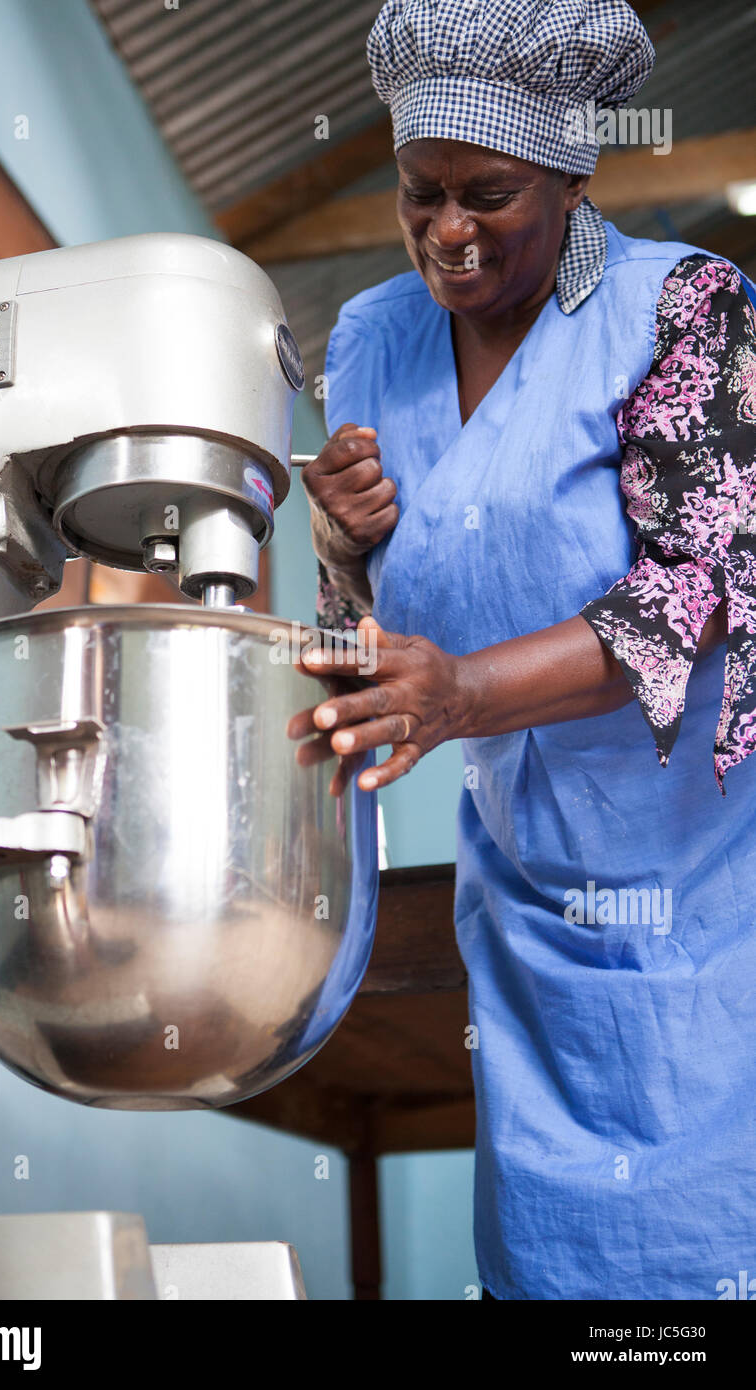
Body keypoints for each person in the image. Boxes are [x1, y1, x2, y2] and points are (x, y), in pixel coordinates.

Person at [290, 0, 756, 1300]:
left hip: (712, 893)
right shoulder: (370, 342)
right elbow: (375, 638)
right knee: (550, 1270)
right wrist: (338, 550)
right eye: (416, 194)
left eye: (485, 193)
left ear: (569, 170)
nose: (444, 230)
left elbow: (702, 587)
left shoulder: (685, 309)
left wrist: (461, 692)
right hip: (526, 900)